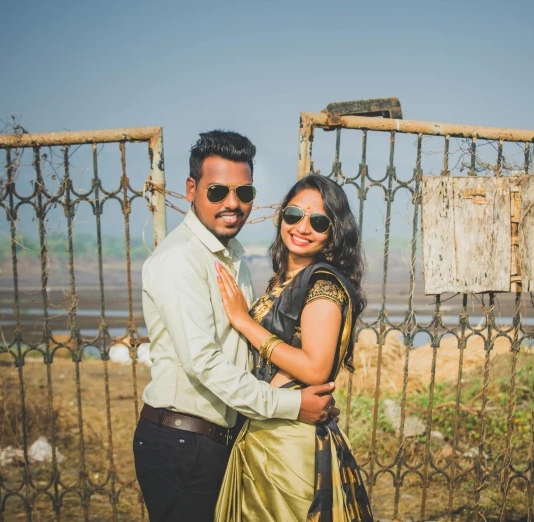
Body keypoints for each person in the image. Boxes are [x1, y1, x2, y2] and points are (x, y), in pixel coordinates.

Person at [133, 131, 338, 522]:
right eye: (218, 192)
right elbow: (205, 364)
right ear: (192, 189)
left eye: (244, 193)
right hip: (183, 443)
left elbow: (243, 353)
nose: (233, 204)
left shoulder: (231, 258)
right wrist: (293, 406)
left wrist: (298, 394)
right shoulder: (180, 261)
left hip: (215, 440)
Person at [214, 175, 373, 521]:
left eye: (318, 221)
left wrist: (245, 322)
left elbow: (315, 368)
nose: (303, 227)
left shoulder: (323, 285)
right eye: (294, 214)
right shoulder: (286, 278)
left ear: (334, 232)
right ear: (281, 216)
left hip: (289, 442)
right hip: (269, 430)